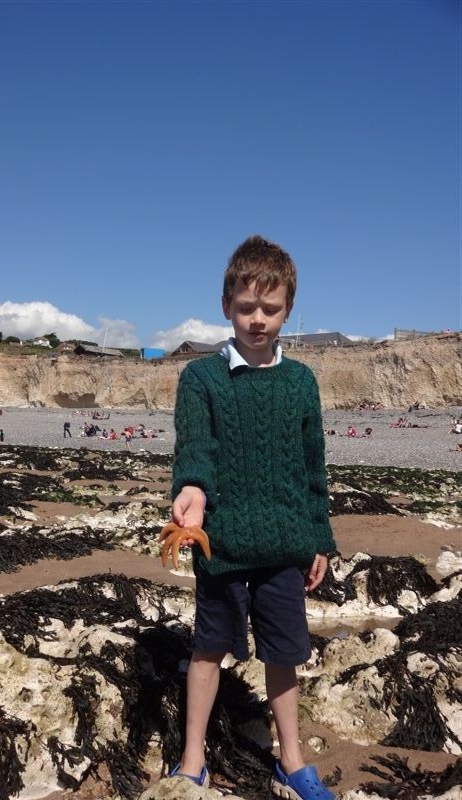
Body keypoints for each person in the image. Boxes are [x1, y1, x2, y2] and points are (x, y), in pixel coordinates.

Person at [167, 235, 336, 799]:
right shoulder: (202, 379)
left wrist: (320, 538)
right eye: (246, 307)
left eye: (271, 308)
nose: (257, 319)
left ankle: (291, 758)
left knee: (284, 654)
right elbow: (196, 450)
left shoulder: (301, 383)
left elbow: (313, 467)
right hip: (222, 543)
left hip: (286, 545)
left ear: (288, 309)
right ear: (225, 306)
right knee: (208, 648)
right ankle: (193, 757)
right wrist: (192, 491)